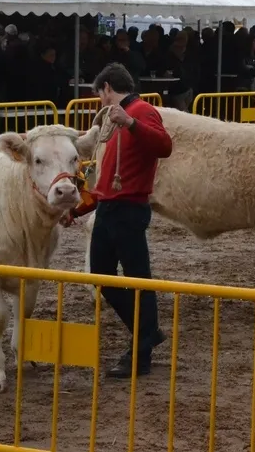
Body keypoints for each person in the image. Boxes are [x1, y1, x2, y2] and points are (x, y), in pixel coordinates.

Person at [89, 63, 173, 378]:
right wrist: (80, 208)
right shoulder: (116, 120)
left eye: (100, 94)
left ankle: (142, 349)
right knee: (102, 276)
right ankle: (147, 332)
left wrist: (131, 122)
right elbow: (106, 178)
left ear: (107, 88)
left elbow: (164, 146)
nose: (100, 100)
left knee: (138, 279)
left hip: (128, 208)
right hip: (111, 208)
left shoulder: (141, 111)